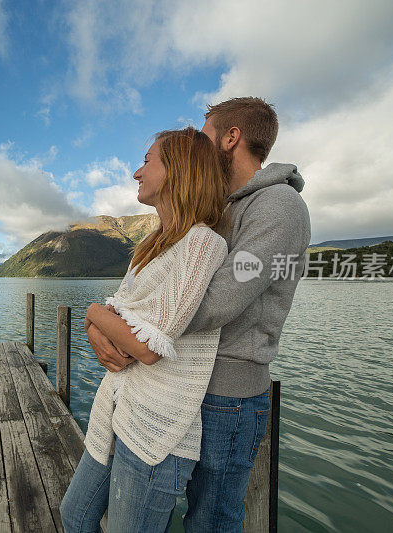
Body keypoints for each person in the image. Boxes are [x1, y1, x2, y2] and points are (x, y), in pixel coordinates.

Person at [88, 97, 312, 532]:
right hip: (179, 385)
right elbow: (156, 293)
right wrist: (103, 323)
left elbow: (212, 304)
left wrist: (112, 323)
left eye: (204, 135)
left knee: (210, 522)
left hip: (227, 397)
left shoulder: (279, 206)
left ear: (232, 138)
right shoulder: (218, 208)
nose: (193, 143)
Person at [59, 126, 230, 532]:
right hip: (119, 408)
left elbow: (149, 345)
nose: (137, 172)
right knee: (74, 514)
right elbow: (119, 315)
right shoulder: (150, 246)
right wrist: (102, 322)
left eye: (148, 161)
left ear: (179, 170)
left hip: (159, 434)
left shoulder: (203, 244)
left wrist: (93, 312)